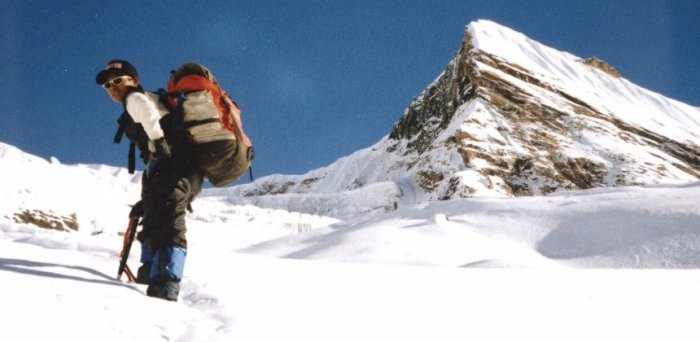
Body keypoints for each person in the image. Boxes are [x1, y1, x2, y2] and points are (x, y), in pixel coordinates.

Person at [96, 60, 204, 301]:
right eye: (107, 85)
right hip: (176, 169)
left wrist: (158, 142)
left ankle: (165, 284)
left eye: (117, 80)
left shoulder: (135, 99)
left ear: (133, 80)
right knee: (156, 214)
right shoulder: (142, 100)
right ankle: (151, 273)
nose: (112, 87)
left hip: (175, 166)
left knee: (166, 218)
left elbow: (149, 115)